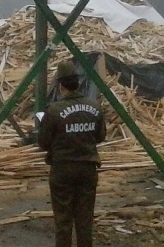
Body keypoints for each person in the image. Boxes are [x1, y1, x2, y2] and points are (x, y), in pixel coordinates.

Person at [38, 60, 106, 247]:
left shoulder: (53, 111)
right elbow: (100, 136)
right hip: (88, 169)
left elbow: (43, 143)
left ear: (60, 86)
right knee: (85, 221)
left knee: (63, 220)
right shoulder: (95, 107)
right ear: (78, 83)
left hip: (62, 170)